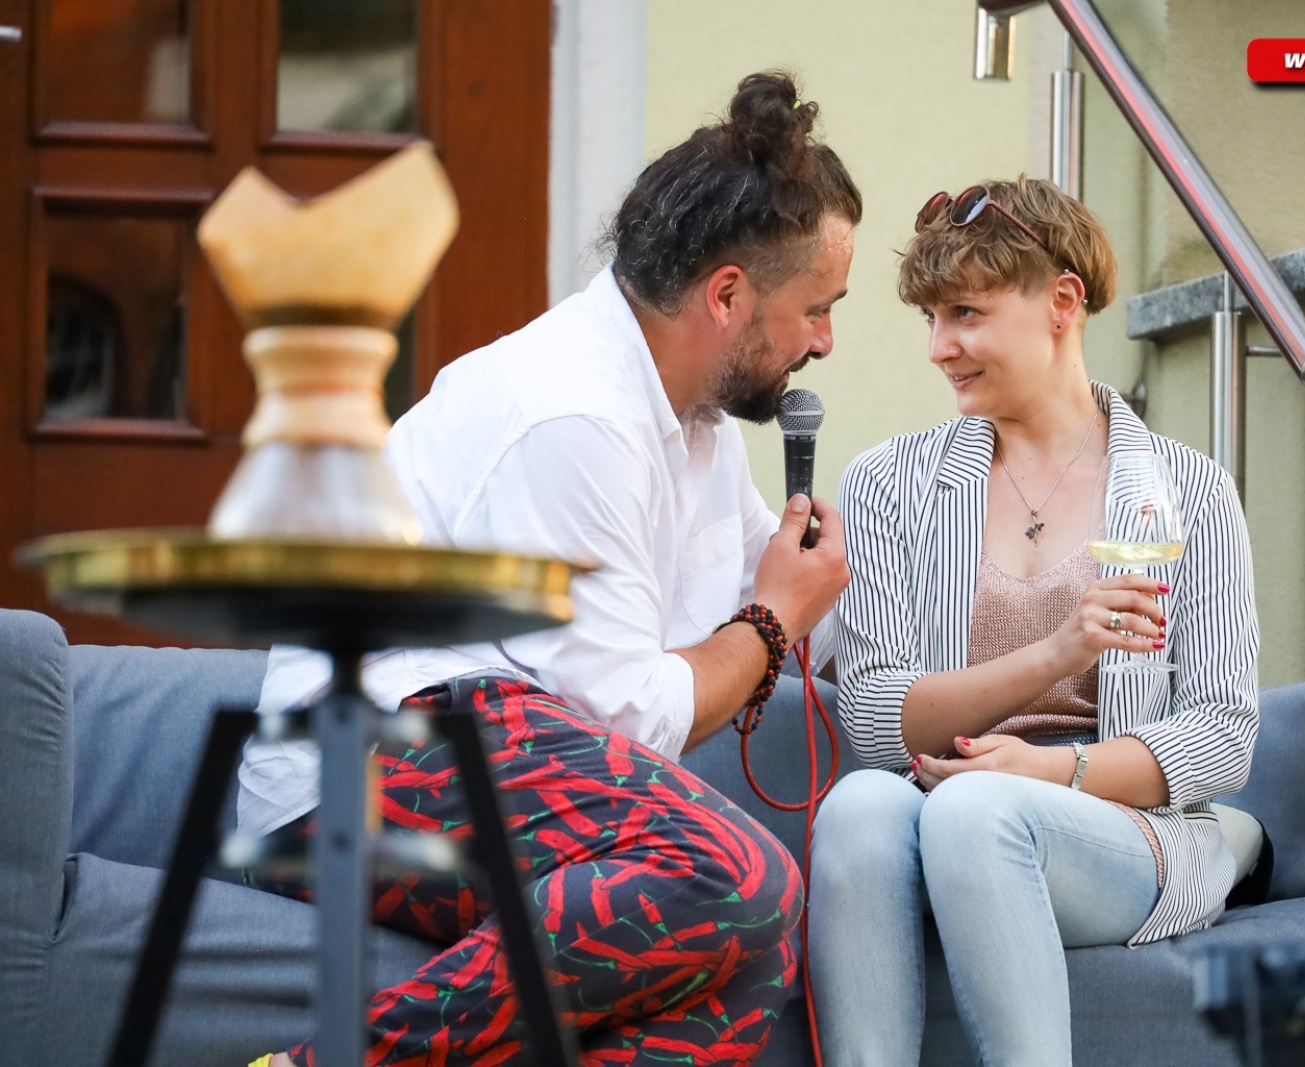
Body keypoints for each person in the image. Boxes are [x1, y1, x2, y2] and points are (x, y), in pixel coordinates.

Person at [239, 71, 861, 1067]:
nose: (825, 340)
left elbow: (797, 597)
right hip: (354, 766)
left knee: (751, 956)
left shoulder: (696, 425)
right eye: (818, 308)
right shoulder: (574, 412)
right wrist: (767, 622)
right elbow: (634, 710)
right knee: (737, 875)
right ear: (728, 294)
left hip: (494, 744)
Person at [807, 178, 1259, 1066]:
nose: (941, 347)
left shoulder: (1188, 491)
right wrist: (1056, 652)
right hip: (931, 804)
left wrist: (1046, 767)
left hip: (1117, 830)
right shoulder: (889, 485)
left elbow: (1221, 735)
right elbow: (870, 716)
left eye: (966, 313)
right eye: (931, 319)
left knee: (978, 810)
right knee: (859, 806)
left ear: (1062, 304)